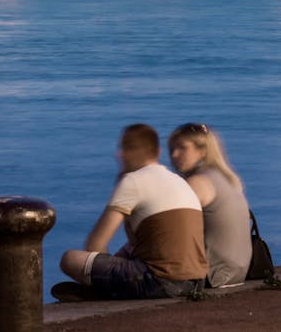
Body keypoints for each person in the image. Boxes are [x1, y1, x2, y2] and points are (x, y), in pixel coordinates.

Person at [55, 123, 207, 300]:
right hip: (196, 281)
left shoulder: (133, 181)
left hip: (160, 281)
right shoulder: (178, 181)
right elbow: (138, 244)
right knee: (125, 252)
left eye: (126, 148)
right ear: (157, 151)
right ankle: (111, 289)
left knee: (70, 259)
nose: (118, 154)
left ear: (135, 153)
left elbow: (95, 244)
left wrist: (100, 274)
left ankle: (101, 292)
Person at [168, 123, 253, 288]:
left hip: (211, 275)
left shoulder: (198, 182)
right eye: (171, 149)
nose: (174, 155)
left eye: (182, 148)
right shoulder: (228, 180)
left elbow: (170, 230)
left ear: (202, 151)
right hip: (237, 272)